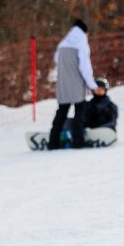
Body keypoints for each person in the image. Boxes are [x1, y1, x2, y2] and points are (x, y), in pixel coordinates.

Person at [48, 18, 98, 150]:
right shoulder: (81, 43)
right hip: (76, 84)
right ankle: (78, 141)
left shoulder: (63, 44)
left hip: (63, 84)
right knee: (79, 112)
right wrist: (92, 85)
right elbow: (85, 67)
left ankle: (53, 142)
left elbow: (56, 59)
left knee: (62, 112)